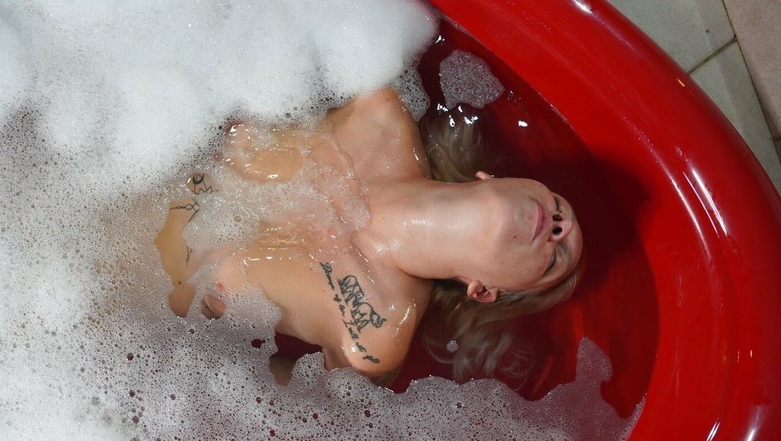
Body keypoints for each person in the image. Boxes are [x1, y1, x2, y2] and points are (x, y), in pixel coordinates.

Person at [156, 87, 582, 386]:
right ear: (492, 179)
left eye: (555, 259)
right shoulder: (378, 112)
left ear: (484, 290)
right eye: (559, 208)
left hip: (143, 293)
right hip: (152, 148)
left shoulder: (375, 336)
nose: (559, 228)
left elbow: (270, 403)